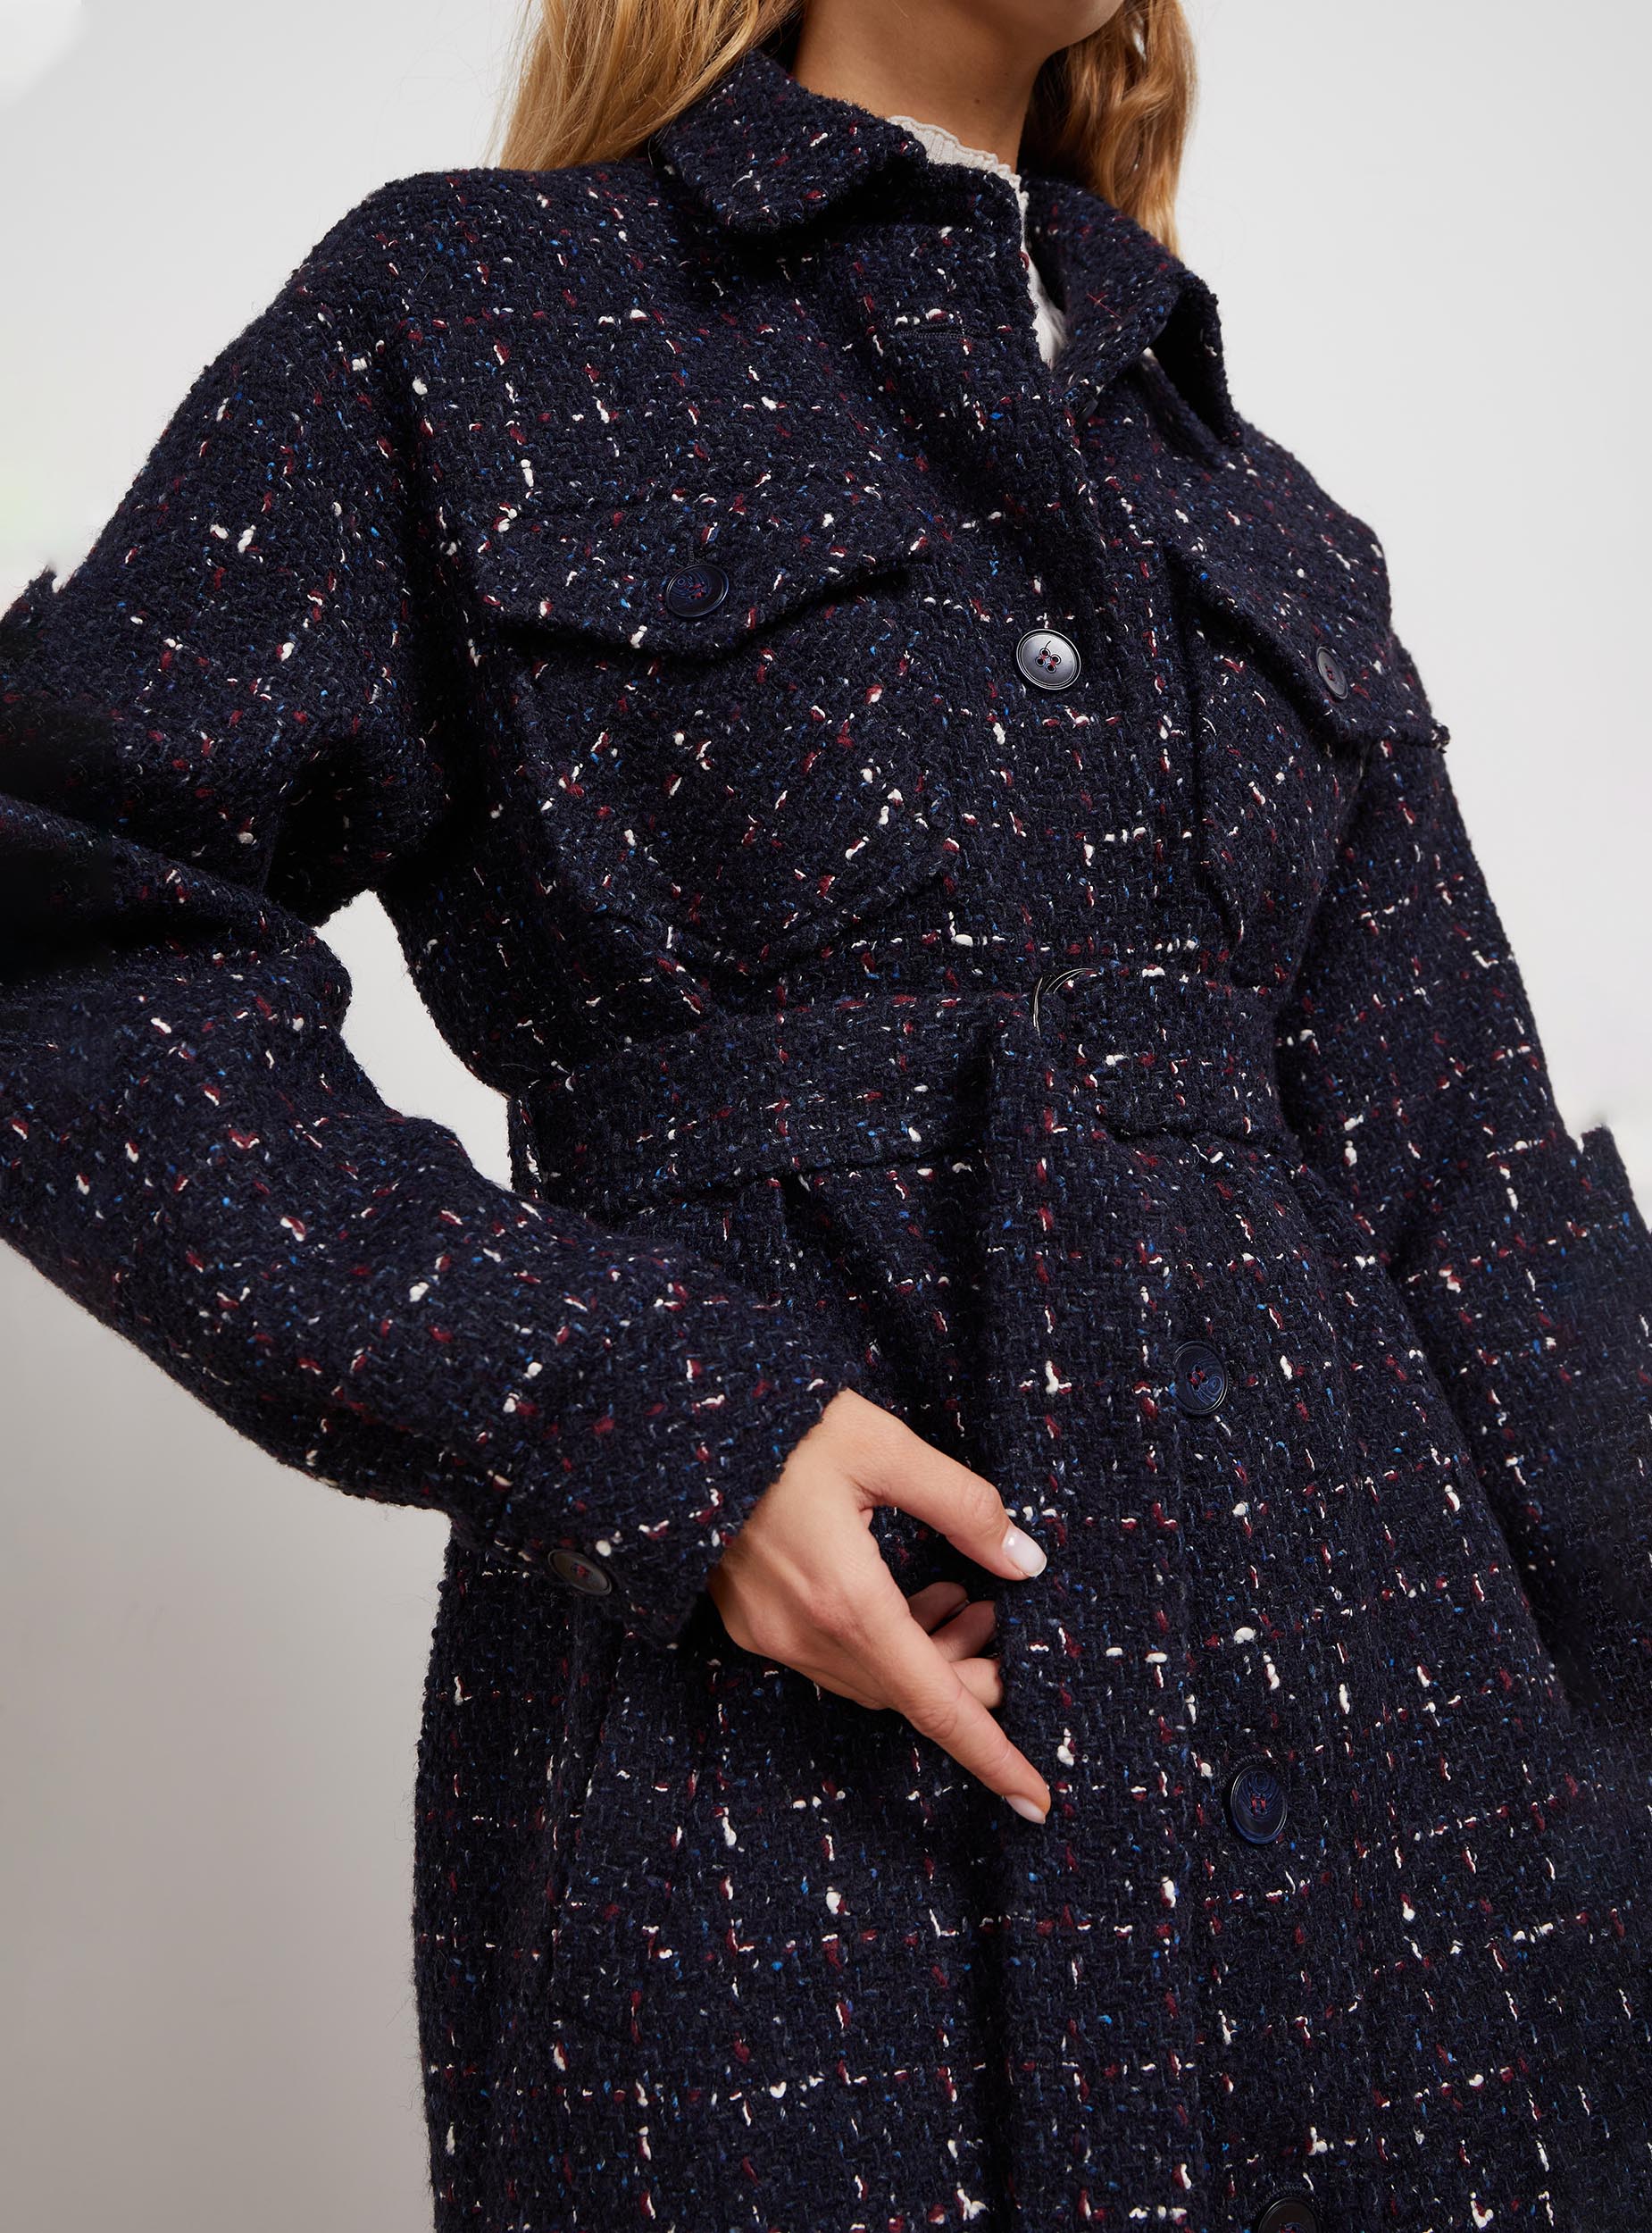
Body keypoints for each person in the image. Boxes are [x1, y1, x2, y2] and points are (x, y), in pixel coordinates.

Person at [4, 0, 1650, 2226]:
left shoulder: (1264, 512)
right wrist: (659, 1413)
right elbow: (63, 927)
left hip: (1425, 1879)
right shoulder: (470, 318)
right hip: (766, 1824)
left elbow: (1492, 1234)